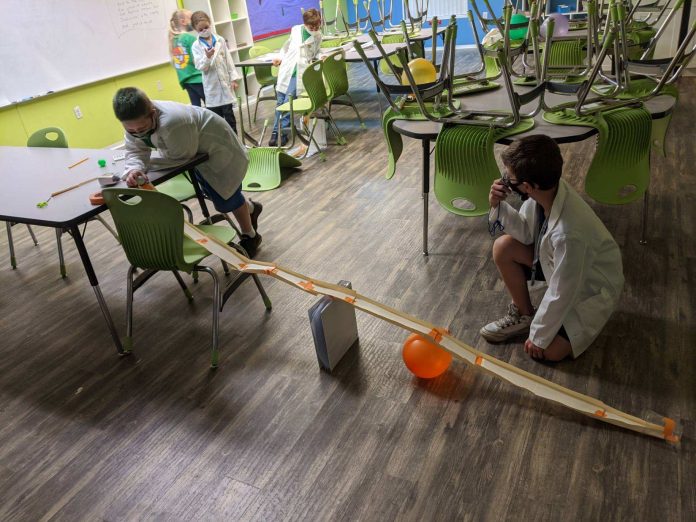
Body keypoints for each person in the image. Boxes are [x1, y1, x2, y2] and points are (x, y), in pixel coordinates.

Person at [480, 135, 624, 362]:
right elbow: (527, 233)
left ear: (527, 186)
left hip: (591, 287)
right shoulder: (547, 190)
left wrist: (539, 336)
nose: (505, 181)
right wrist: (496, 204)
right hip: (565, 268)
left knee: (548, 352)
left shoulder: (569, 234)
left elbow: (563, 290)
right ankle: (525, 314)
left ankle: (544, 324)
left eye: (510, 178)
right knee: (503, 247)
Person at [112, 87, 263, 257]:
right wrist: (135, 168)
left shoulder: (174, 122)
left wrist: (147, 165)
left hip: (219, 150)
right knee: (218, 196)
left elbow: (180, 157)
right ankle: (250, 209)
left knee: (227, 200)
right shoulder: (135, 123)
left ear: (152, 113)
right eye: (131, 131)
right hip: (199, 156)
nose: (138, 133)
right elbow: (135, 150)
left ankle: (251, 235)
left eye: (142, 128)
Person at [269, 8, 323, 147]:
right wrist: (279, 57)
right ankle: (275, 132)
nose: (315, 29)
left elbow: (317, 52)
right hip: (287, 70)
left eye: (317, 26)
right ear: (305, 24)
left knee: (288, 103)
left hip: (298, 74)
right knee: (280, 102)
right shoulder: (296, 30)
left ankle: (282, 133)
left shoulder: (318, 35)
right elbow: (286, 47)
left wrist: (321, 56)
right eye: (311, 27)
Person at [190, 11, 240, 134]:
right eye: (200, 29)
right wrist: (207, 57)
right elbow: (200, 66)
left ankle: (236, 143)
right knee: (216, 121)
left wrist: (233, 78)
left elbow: (228, 60)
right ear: (196, 30)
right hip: (211, 89)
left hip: (225, 85)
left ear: (210, 24)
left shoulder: (220, 40)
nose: (204, 31)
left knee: (230, 118)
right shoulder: (196, 46)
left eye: (206, 27)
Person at [168, 9, 205, 107]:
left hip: (186, 80)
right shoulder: (190, 38)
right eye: (191, 18)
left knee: (196, 108)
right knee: (212, 106)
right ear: (183, 22)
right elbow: (197, 61)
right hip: (197, 78)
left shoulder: (175, 40)